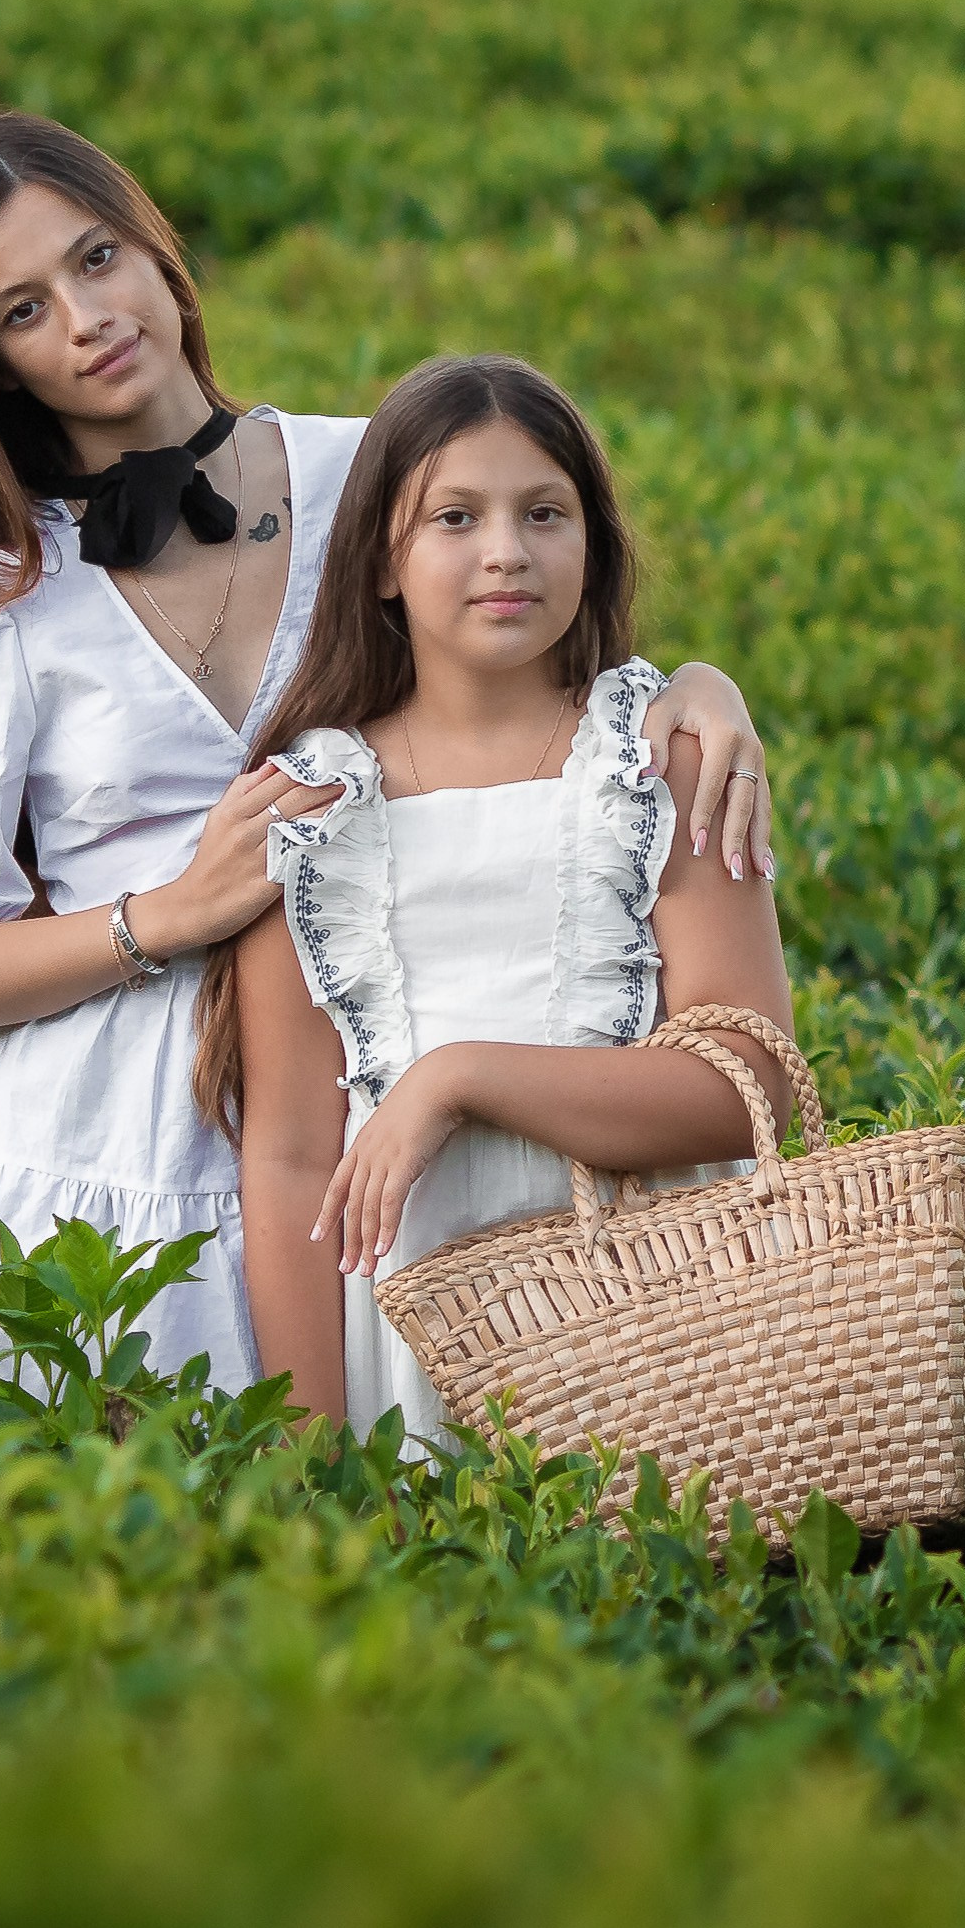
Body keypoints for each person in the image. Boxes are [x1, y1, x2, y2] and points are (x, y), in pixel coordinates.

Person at [0, 112, 778, 1388]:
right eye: (22, 309)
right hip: (118, 1148)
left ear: (162, 258)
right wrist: (164, 914)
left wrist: (699, 685)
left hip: (399, 1081)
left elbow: (546, 684)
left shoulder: (364, 474)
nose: (85, 316)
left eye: (99, 257)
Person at [203, 353, 796, 1446]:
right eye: (455, 518)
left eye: (545, 512)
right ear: (381, 560)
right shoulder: (314, 809)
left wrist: (457, 1079)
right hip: (409, 1330)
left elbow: (749, 1084)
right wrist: (317, 1461)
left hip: (655, 1313)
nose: (505, 552)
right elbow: (287, 1163)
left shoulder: (660, 763)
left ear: (593, 542)